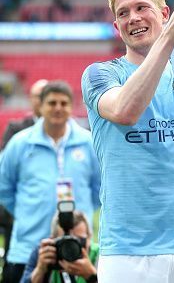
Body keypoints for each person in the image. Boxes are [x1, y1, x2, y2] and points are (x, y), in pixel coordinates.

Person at [81, 0, 174, 283]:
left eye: (142, 8)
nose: (133, 18)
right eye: (123, 13)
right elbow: (125, 110)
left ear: (164, 14)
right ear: (117, 27)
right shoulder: (101, 74)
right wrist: (169, 38)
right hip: (128, 251)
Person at [0, 81, 100, 283]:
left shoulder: (88, 143)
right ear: (40, 106)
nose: (58, 108)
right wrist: (26, 211)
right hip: (28, 246)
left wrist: (81, 214)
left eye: (64, 103)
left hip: (76, 251)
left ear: (72, 107)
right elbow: (4, 188)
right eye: (52, 103)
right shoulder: (20, 143)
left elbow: (99, 189)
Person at [0, 79, 48, 280]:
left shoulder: (70, 133)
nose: (45, 100)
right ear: (31, 100)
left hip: (51, 213)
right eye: (39, 96)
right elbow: (6, 173)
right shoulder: (16, 129)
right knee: (16, 266)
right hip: (20, 214)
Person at [20, 209, 99, 283]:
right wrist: (40, 270)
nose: (71, 247)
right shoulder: (45, 253)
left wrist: (92, 276)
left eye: (78, 241)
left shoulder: (100, 255)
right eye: (65, 241)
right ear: (53, 239)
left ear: (89, 238)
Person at [1, 79, 48, 149]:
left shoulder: (65, 130)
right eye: (38, 96)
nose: (42, 100)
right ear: (30, 99)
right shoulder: (15, 129)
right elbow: (6, 157)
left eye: (46, 96)